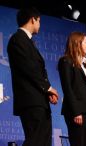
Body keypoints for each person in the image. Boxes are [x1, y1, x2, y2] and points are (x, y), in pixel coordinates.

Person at [7, 7, 58, 146]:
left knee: (43, 141)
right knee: (36, 140)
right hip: (31, 102)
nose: (40, 24)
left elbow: (38, 69)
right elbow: (29, 68)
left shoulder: (27, 41)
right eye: (39, 21)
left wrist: (46, 92)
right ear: (33, 19)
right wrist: (48, 87)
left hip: (39, 101)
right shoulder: (18, 39)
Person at [58, 32, 86, 146]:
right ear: (77, 43)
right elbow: (67, 88)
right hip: (77, 111)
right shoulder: (66, 61)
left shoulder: (84, 64)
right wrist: (76, 112)